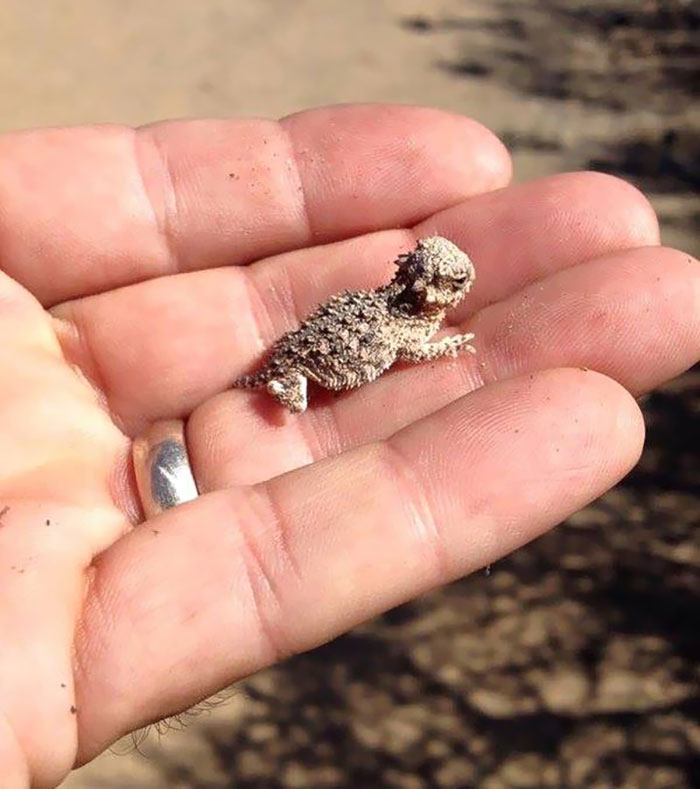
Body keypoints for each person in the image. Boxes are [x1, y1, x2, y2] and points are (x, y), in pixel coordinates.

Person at [0, 104, 697, 788]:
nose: (460, 286)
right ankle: (280, 386)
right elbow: (416, 350)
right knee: (290, 398)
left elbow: (402, 340)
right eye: (451, 281)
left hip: (314, 347)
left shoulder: (389, 313)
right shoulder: (402, 327)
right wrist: (328, 369)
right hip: (305, 369)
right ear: (427, 281)